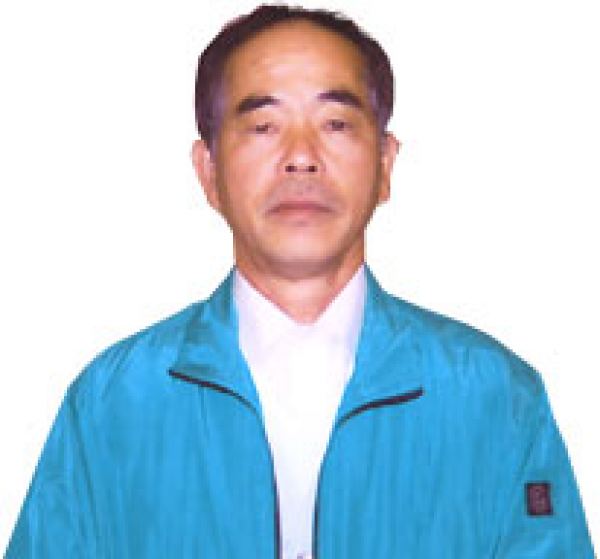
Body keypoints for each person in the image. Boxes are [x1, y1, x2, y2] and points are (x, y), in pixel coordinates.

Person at [5, 5, 595, 558]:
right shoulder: (113, 402)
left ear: (385, 165)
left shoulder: (495, 396)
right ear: (209, 172)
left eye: (335, 124)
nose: (301, 157)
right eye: (264, 126)